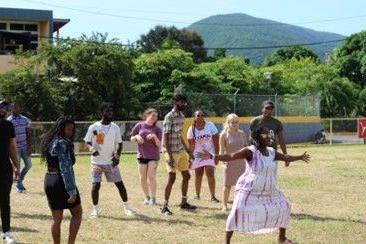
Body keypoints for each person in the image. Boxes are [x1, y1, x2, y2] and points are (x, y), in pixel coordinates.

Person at [199, 127, 310, 244]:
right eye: (264, 134)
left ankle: (282, 239)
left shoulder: (271, 152)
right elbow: (231, 156)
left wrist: (299, 157)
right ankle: (226, 242)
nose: (268, 136)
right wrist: (213, 156)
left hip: (269, 190)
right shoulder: (250, 151)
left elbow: (285, 157)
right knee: (236, 211)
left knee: (284, 206)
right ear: (257, 137)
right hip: (249, 190)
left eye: (269, 134)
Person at [84, 102, 135, 218]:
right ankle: (95, 210)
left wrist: (117, 156)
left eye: (111, 111)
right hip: (96, 162)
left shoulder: (115, 127)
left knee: (119, 184)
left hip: (111, 162)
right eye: (107, 111)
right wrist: (91, 148)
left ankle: (127, 207)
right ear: (101, 112)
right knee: (95, 185)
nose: (110, 113)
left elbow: (120, 144)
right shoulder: (94, 127)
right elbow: (87, 141)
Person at [41, 117, 82, 244]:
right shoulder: (63, 143)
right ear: (61, 129)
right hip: (61, 181)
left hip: (49, 180)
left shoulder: (51, 141)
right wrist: (71, 190)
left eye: (72, 130)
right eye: (68, 129)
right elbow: (66, 169)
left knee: (56, 220)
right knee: (77, 214)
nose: (70, 132)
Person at [160, 94, 197, 215]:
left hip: (180, 150)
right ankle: (164, 206)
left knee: (187, 176)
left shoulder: (182, 116)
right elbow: (165, 136)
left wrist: (187, 151)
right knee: (172, 177)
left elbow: (179, 135)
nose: (183, 104)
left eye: (184, 102)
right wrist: (170, 156)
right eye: (181, 102)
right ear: (175, 102)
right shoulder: (169, 117)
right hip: (170, 151)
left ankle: (184, 202)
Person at [130, 108, 162, 206]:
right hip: (142, 155)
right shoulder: (139, 125)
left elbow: (159, 144)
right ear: (147, 115)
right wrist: (136, 137)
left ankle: (153, 198)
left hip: (153, 156)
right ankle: (147, 197)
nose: (154, 118)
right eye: (152, 115)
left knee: (151, 176)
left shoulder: (157, 129)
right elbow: (131, 138)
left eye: (156, 116)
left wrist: (154, 137)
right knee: (142, 177)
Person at [187, 110, 219, 202]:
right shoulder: (191, 129)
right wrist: (190, 158)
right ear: (194, 117)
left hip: (209, 153)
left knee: (210, 172)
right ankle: (197, 195)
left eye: (202, 115)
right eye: (198, 115)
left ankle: (213, 196)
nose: (200, 116)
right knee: (198, 174)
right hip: (197, 155)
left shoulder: (210, 125)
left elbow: (216, 141)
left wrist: (216, 155)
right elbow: (191, 145)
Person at [0, 100, 19, 244]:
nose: (4, 109)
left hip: (5, 169)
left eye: (5, 107)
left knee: (4, 201)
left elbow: (12, 146)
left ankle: (6, 232)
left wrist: (17, 165)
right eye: (1, 106)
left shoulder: (8, 125)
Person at [219, 114, 247, 211]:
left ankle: (239, 205)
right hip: (229, 163)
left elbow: (246, 148)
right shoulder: (223, 134)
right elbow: (221, 151)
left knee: (241, 186)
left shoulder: (242, 133)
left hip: (241, 163)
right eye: (232, 122)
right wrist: (223, 163)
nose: (234, 124)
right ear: (228, 123)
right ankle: (224, 205)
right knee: (227, 185)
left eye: (236, 122)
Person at [7, 103, 32, 193]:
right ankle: (19, 186)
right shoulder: (9, 120)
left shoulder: (25, 119)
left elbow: (28, 134)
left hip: (25, 146)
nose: (16, 109)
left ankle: (19, 178)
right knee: (17, 166)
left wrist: (29, 147)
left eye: (17, 107)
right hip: (15, 147)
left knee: (29, 165)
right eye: (14, 107)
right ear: (11, 109)